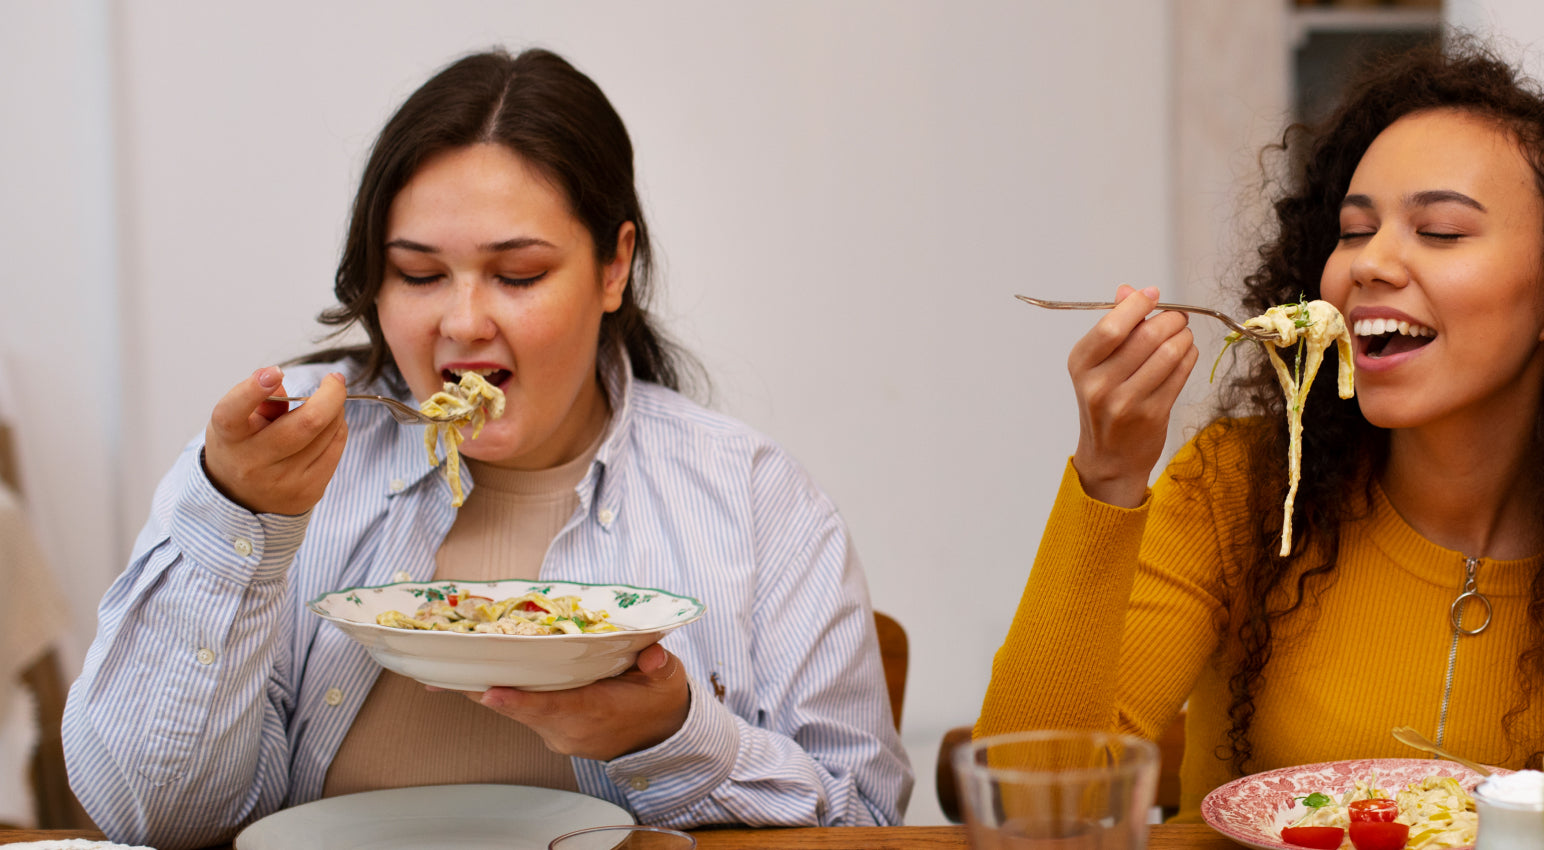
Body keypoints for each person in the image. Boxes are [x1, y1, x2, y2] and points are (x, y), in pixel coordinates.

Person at [63, 47, 911, 848]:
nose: (463, 323)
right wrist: (237, 519)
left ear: (614, 267)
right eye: (419, 275)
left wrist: (668, 736)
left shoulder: (755, 497)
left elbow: (866, 819)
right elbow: (149, 813)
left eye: (518, 275)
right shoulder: (273, 460)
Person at [975, 37, 1544, 821]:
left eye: (1440, 232)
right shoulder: (1238, 490)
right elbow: (1030, 807)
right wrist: (1109, 477)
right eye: (1353, 232)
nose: (1368, 264)